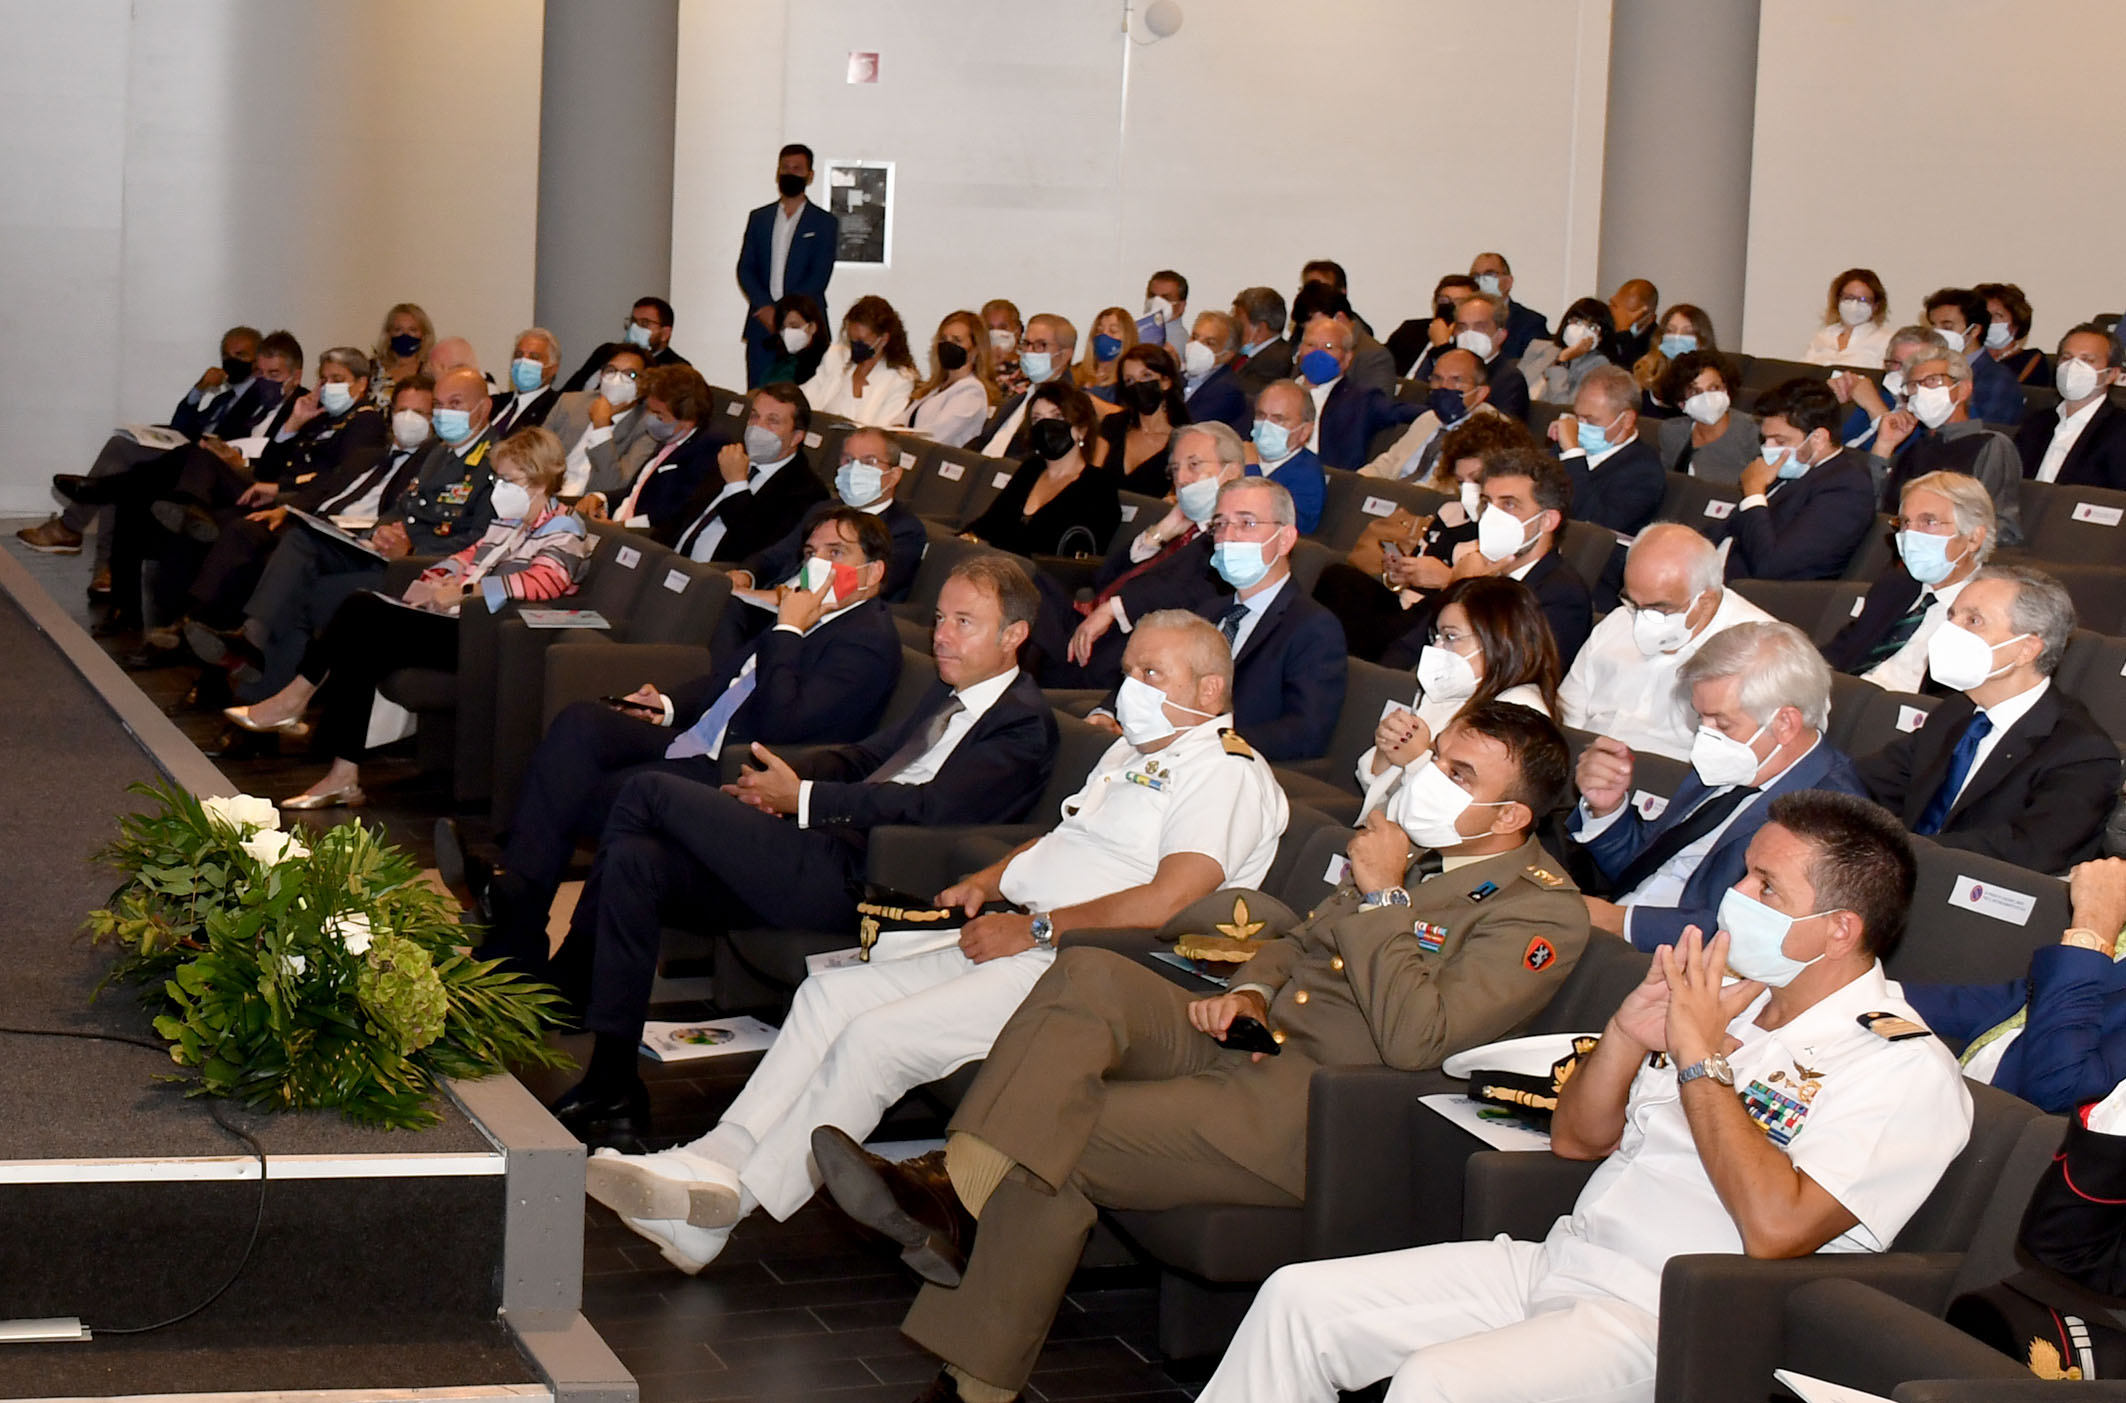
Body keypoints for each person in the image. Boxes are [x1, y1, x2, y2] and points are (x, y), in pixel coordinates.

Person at [815, 702, 1594, 1403]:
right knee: (1088, 973)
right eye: (1440, 759)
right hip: (1247, 1034)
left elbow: (1418, 1037)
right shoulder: (1419, 852)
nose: (1432, 778)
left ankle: (968, 1346)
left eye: (1460, 774)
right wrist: (1250, 989)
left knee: (1063, 1128)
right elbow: (1295, 940)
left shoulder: (1539, 912)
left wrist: (1386, 896)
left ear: (1510, 814)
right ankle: (958, 1191)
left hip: (1314, 1109)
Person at [1197, 790, 1973, 1403]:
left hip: (1673, 1318)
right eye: (1745, 871)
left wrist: (1700, 1056)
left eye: (1766, 885)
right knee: (1298, 1301)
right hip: (1563, 1259)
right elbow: (1577, 1139)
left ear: (1839, 929)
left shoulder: (1897, 1066)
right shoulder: (1734, 997)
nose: (1737, 893)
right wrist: (1628, 1034)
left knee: (1438, 1383)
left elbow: (1778, 1228)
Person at [579, 615, 1284, 1262]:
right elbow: (1066, 838)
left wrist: (1036, 926)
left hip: (1081, 966)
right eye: (1128, 671)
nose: (1132, 688)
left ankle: (729, 1204)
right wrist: (989, 877)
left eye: (1152, 673)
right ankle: (711, 1159)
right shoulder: (1132, 751)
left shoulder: (1225, 775)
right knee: (830, 996)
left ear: (1209, 688)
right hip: (1021, 933)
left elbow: (1170, 899)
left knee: (876, 1038)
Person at [544, 559, 1063, 1141]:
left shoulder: (1021, 724)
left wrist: (804, 799)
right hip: (817, 847)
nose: (942, 635)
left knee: (647, 792)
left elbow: (929, 811)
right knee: (636, 860)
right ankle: (612, 1080)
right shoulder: (948, 692)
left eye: (963, 622)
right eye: (940, 618)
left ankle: (564, 981)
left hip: (869, 880)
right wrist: (790, 777)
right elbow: (867, 757)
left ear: (1014, 634)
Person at [467, 508, 905, 970]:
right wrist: (666, 704)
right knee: (580, 723)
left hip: (737, 767)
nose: (817, 563)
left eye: (836, 552)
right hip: (697, 738)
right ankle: (517, 913)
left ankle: (531, 928)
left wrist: (788, 630)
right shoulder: (813, 612)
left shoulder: (865, 640)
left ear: (873, 571)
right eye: (812, 551)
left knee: (585, 794)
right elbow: (731, 678)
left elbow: (783, 723)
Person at [225, 426, 590, 808]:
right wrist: (439, 577)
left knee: (361, 607)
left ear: (539, 481)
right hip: (456, 619)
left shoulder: (564, 527)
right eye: (497, 479)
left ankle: (293, 701)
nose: (499, 488)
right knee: (361, 644)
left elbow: (543, 581)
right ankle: (342, 774)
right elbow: (468, 556)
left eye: (509, 480)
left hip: (489, 634)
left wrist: (465, 591)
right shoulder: (509, 522)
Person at [1574, 620, 1868, 950]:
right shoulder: (1733, 761)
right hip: (1615, 929)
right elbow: (1647, 866)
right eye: (1701, 718)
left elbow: (1760, 931)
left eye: (1722, 723)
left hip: (1681, 963)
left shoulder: (1833, 811)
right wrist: (1608, 809)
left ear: (1785, 723)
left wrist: (1620, 923)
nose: (1705, 735)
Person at [193, 375, 470, 698]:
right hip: (313, 528)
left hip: (353, 543)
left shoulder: (431, 461)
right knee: (241, 536)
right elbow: (321, 489)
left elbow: (404, 518)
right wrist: (287, 508)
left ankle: (244, 665)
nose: (409, 419)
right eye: (402, 410)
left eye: (420, 413)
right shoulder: (365, 455)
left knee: (282, 572)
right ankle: (213, 645)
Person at [1859, 565, 2120, 873]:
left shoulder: (2082, 752)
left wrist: (1899, 850)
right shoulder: (1954, 712)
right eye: (1951, 616)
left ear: (2026, 649)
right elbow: (1867, 782)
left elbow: (2030, 850)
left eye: (1973, 620)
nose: (1949, 632)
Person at [1086, 477, 1344, 762]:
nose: (1228, 536)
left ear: (1284, 539)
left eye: (1246, 523)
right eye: (1220, 524)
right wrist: (1107, 712)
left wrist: (1201, 741)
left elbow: (1306, 733)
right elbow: (1147, 669)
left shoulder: (1312, 626)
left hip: (1230, 766)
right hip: (1159, 754)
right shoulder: (1209, 610)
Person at [20, 326, 294, 559]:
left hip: (204, 464)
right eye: (226, 355)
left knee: (118, 455)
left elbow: (238, 441)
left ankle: (71, 530)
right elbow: (181, 425)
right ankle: (101, 565)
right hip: (188, 452)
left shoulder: (260, 397)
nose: (231, 361)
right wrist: (199, 390)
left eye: (241, 355)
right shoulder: (224, 398)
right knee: (116, 463)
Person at [1902, 858, 2126, 1114]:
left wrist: (2093, 926)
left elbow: (2058, 1089)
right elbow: (2015, 1007)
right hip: (1953, 1085)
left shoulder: (2107, 920)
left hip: (1998, 1123)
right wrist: (1876, 988)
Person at [1027, 424, 1237, 690]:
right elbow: (1103, 577)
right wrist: (1160, 532)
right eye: (1174, 469)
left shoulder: (1230, 539)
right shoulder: (1180, 528)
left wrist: (1114, 609)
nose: (1181, 479)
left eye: (1193, 465)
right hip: (1093, 620)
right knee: (1022, 580)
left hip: (1132, 639)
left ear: (1232, 472)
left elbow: (1189, 593)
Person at [1313, 413, 1536, 660]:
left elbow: (1495, 601)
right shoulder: (1450, 512)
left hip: (1439, 619)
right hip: (1406, 605)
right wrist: (1400, 574)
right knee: (1339, 579)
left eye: (1476, 479)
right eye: (1461, 481)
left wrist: (1447, 579)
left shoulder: (1507, 530)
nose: (1468, 490)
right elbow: (1414, 572)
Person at [1559, 524, 1774, 760]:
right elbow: (1568, 712)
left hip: (1670, 777)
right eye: (1633, 603)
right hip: (1584, 762)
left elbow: (1742, 760)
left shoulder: (1760, 652)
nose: (1641, 619)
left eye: (1659, 609)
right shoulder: (1620, 620)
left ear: (1705, 601)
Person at [1356, 576, 1561, 822]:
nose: (1438, 649)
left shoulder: (1520, 713)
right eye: (1436, 636)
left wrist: (1416, 760)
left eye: (1451, 637)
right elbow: (1379, 799)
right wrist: (1386, 752)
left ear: (1500, 639)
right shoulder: (1449, 689)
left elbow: (1466, 819)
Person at [1380, 444, 1595, 671]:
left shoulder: (1563, 595)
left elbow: (1510, 671)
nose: (1492, 515)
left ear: (1547, 520)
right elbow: (1408, 648)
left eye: (1509, 504)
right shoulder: (1478, 568)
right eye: (1487, 503)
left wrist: (1469, 590)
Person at [721, 427, 928, 629]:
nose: (855, 469)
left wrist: (771, 597)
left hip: (827, 623)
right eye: (848, 460)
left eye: (869, 462)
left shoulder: (905, 530)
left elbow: (857, 589)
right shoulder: (823, 509)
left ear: (894, 475)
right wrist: (747, 575)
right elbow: (777, 554)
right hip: (767, 607)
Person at [1823, 471, 1995, 695]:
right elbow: (1842, 652)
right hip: (1845, 696)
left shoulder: (1988, 612)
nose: (1910, 535)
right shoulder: (1896, 584)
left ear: (1973, 538)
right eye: (1905, 523)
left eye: (1928, 522)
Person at [1712, 378, 1879, 581]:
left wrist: (1754, 493)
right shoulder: (1793, 468)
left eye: (1780, 441)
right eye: (1765, 439)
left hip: (1748, 589)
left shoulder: (1847, 488)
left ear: (1818, 438)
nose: (1767, 449)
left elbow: (1771, 566)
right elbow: (1727, 528)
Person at [1873, 346, 2027, 547]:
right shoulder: (1915, 448)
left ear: (1963, 389)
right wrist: (1884, 445)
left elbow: (2001, 527)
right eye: (1913, 386)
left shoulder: (1990, 445)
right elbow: (1877, 510)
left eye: (1932, 381)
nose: (1921, 392)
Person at [664, 381, 829, 564]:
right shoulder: (732, 455)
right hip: (671, 559)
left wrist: (736, 485)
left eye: (773, 421)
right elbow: (683, 514)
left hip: (716, 574)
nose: (758, 426)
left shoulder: (807, 492)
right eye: (754, 416)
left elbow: (754, 546)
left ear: (796, 437)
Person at [963, 380, 1117, 559]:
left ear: (1081, 430)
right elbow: (989, 524)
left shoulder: (1098, 487)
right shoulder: (1030, 469)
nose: (1045, 425)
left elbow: (1074, 558)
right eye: (1037, 419)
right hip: (992, 565)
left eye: (1057, 416)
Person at [738, 143, 837, 387]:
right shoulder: (759, 218)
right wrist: (766, 308)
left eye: (797, 169)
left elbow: (819, 275)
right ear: (777, 173)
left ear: (810, 176)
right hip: (763, 325)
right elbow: (746, 268)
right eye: (785, 168)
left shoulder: (824, 222)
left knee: (805, 395)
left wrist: (787, 316)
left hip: (805, 327)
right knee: (759, 395)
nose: (790, 173)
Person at [1549, 363, 1665, 537]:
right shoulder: (1562, 448)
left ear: (1626, 419)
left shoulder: (1644, 470)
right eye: (1577, 417)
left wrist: (1573, 453)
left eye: (1591, 421)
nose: (1579, 426)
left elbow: (1592, 524)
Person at [1357, 347, 1501, 484]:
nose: (1444, 386)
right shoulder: (1428, 418)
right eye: (1437, 378)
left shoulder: (1492, 432)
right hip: (1394, 492)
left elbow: (1453, 488)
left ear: (1480, 393)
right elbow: (1388, 462)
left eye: (1456, 380)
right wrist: (1356, 482)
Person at [1296, 315, 1420, 471]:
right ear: (1300, 350)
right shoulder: (1279, 391)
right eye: (1311, 345)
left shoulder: (1361, 400)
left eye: (1329, 347)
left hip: (1323, 476)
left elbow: (1403, 411)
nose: (1317, 353)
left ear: (1347, 358)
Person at [540, 345, 655, 508]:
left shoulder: (647, 426)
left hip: (585, 508)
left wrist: (602, 426)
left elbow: (613, 486)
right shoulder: (570, 402)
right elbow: (534, 455)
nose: (617, 379)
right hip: (544, 497)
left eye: (630, 374)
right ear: (601, 376)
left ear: (645, 384)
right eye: (611, 370)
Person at [2016, 322, 2126, 489]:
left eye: (2087, 360)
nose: (2073, 367)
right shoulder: (2037, 422)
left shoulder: (2120, 430)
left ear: (2111, 374)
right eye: (2067, 358)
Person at [799, 294, 919, 427]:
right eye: (852, 339)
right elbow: (804, 401)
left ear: (883, 339)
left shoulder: (900, 380)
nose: (855, 345)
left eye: (861, 340)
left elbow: (883, 430)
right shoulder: (836, 357)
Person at [1091, 343, 1188, 496]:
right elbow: (1092, 477)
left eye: (1146, 376)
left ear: (1166, 381)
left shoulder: (1184, 439)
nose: (1138, 385)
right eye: (1130, 380)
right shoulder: (1113, 425)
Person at [972, 314, 1075, 458]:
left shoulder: (1068, 405)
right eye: (1026, 343)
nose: (1029, 352)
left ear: (1065, 355)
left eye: (1040, 345)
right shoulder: (1021, 396)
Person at [1925, 286, 2027, 425]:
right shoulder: (1925, 371)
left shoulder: (1996, 379)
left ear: (1974, 330)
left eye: (1947, 327)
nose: (1937, 334)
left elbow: (1986, 432)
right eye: (1933, 326)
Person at [1656, 349, 1760, 485]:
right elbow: (1670, 483)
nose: (1707, 398)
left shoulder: (1751, 433)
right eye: (1696, 391)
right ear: (1681, 403)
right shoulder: (1672, 432)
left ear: (1726, 390)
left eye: (1714, 388)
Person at [558, 296, 691, 392]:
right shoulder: (606, 351)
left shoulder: (676, 369)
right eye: (633, 321)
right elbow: (568, 391)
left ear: (665, 334)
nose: (634, 328)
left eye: (645, 323)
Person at [904, 310, 996, 448]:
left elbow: (935, 436)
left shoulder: (972, 391)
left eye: (956, 340)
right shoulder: (935, 387)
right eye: (943, 339)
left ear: (975, 350)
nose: (947, 345)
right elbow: (900, 421)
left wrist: (902, 436)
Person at [1246, 380, 1330, 531]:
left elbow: (1289, 527)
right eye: (1261, 416)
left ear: (1305, 431)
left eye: (1278, 419)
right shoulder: (1240, 453)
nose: (1266, 425)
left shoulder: (1307, 475)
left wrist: (1251, 470)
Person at [1288, 282, 1396, 395]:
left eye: (1318, 326)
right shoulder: (1309, 349)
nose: (1312, 336)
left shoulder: (1374, 356)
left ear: (1340, 319)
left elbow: (1376, 403)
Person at [1449, 293, 1533, 423]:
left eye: (1479, 327)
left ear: (1500, 335)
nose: (1469, 334)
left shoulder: (1509, 379)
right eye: (1462, 327)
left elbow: (1500, 429)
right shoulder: (1447, 371)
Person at [1385, 273, 1480, 380]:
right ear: (1435, 303)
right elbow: (1382, 363)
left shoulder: (1471, 340)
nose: (1450, 306)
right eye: (1444, 300)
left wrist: (1442, 346)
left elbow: (1458, 379)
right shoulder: (1411, 330)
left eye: (1459, 302)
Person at [1524, 296, 1615, 405]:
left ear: (1601, 336)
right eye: (1577, 322)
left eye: (1592, 327)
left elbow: (1563, 406)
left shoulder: (1599, 366)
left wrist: (1561, 362)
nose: (1581, 330)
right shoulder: (1539, 347)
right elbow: (1515, 386)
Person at [1631, 304, 1718, 409]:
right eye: (1670, 331)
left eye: (1687, 333)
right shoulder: (1647, 372)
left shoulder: (1712, 380)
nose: (1677, 337)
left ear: (1702, 340)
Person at [1179, 310, 1251, 435]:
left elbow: (1189, 430)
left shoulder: (1227, 390)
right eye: (1194, 337)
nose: (1196, 346)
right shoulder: (1178, 377)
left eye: (1209, 343)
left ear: (1227, 355)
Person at [1469, 252, 1551, 360]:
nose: (1481, 280)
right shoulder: (1461, 320)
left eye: (1490, 274)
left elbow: (1536, 366)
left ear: (1508, 282)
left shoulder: (1531, 322)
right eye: (1475, 276)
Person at [1805, 268, 1894, 367]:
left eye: (1863, 300)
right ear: (1838, 300)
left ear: (1876, 306)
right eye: (1849, 298)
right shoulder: (1823, 337)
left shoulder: (1886, 342)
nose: (1854, 305)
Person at [488, 328, 562, 437]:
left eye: (534, 357)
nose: (523, 362)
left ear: (553, 369)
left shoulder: (555, 409)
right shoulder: (494, 402)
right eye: (518, 355)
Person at [1975, 281, 2049, 385]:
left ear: (2016, 323)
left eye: (1998, 315)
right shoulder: (1967, 359)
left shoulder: (2030, 359)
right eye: (1984, 315)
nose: (1989, 321)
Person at [367, 303, 434, 407]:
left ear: (424, 335)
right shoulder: (370, 369)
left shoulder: (430, 371)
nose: (405, 335)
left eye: (413, 330)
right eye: (398, 330)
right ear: (388, 334)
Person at [1231, 286, 1294, 396]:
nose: (1234, 328)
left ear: (1260, 329)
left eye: (1239, 324)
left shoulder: (1276, 361)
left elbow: (1240, 395)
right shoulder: (1240, 354)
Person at [757, 293, 829, 387]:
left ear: (812, 327)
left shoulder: (827, 362)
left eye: (794, 326)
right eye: (783, 328)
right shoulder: (776, 367)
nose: (788, 333)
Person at [1072, 306, 1136, 406]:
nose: (1103, 335)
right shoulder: (1074, 372)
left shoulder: (1128, 380)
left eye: (1113, 331)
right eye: (1099, 330)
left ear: (1127, 338)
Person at [1604, 277, 1660, 368]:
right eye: (1614, 305)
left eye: (1627, 312)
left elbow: (1636, 371)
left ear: (1649, 318)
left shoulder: (1657, 344)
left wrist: (1624, 332)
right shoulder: (1604, 329)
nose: (1617, 315)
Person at [980, 300, 1025, 394]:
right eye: (990, 328)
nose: (996, 333)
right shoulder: (976, 368)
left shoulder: (1028, 368)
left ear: (1017, 330)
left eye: (1003, 327)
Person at [1135, 268, 1188, 347]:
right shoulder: (1141, 333)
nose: (1156, 302)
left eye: (1166, 298)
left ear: (1181, 306)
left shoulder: (1177, 343)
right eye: (1152, 296)